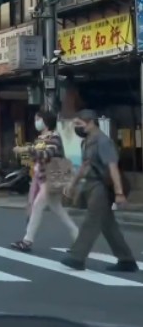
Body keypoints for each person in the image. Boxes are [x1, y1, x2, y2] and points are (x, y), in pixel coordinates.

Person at [61, 109, 137, 272]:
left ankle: (77, 256)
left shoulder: (103, 141)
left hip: (101, 186)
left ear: (91, 122)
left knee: (92, 220)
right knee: (107, 225)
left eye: (79, 124)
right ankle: (126, 259)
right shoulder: (87, 141)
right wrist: (72, 184)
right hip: (91, 184)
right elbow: (85, 166)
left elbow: (112, 167)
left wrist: (118, 193)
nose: (77, 128)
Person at [10, 110, 78, 252]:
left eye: (38, 119)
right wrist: (29, 153)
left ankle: (27, 240)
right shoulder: (40, 138)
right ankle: (78, 237)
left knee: (37, 205)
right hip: (41, 177)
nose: (36, 122)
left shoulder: (55, 137)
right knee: (57, 209)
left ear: (45, 121)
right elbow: (38, 157)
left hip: (51, 177)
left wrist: (27, 149)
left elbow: (48, 154)